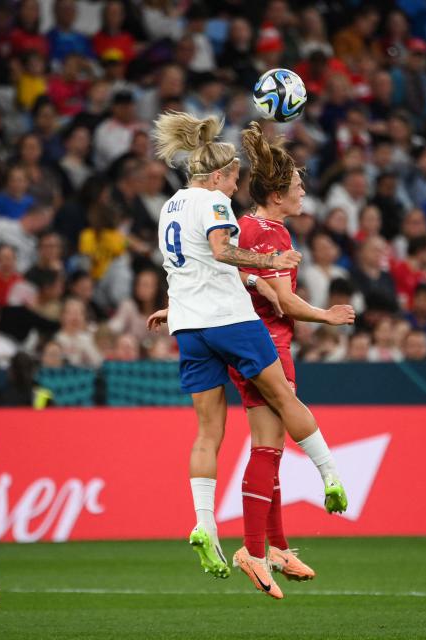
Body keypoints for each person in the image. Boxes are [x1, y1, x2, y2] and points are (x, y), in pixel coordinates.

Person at [145, 112, 348, 586]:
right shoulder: (221, 207)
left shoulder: (169, 206)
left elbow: (188, 267)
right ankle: (328, 479)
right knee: (281, 406)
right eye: (234, 176)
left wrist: (174, 311)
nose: (238, 186)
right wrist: (272, 267)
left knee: (207, 433)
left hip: (191, 327)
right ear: (217, 176)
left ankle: (207, 524)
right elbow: (222, 254)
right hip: (235, 324)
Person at [225, 122, 355, 597]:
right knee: (267, 446)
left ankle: (273, 547)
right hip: (266, 345)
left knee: (270, 447)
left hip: (245, 341)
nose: (304, 194)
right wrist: (328, 315)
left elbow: (236, 280)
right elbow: (283, 301)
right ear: (278, 194)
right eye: (298, 187)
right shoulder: (272, 233)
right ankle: (253, 550)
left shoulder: (246, 226)